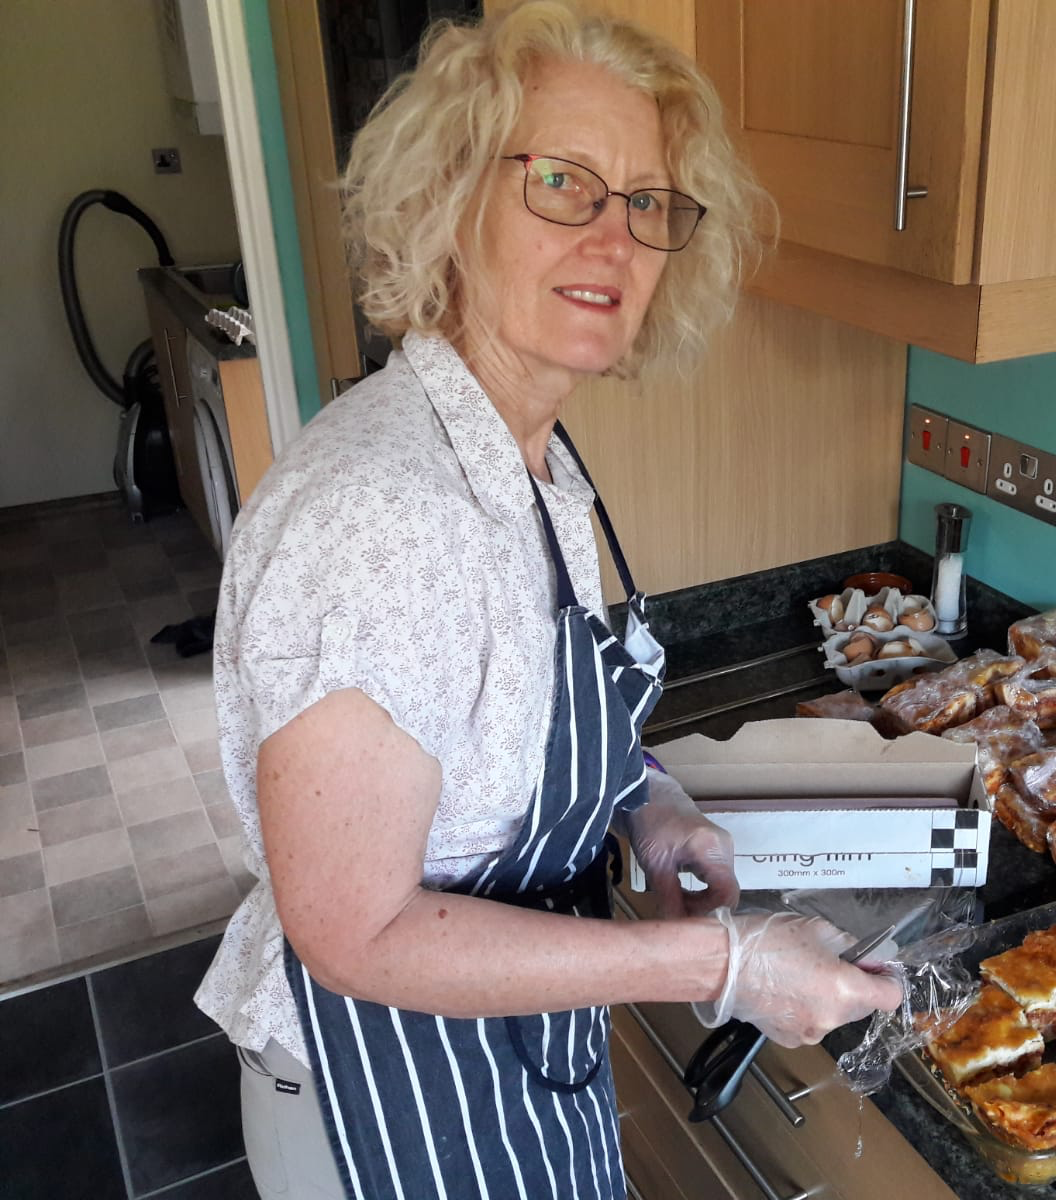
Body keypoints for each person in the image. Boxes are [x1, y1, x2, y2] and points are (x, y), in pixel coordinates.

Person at [194, 4, 903, 1196]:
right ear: (451, 200)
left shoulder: (526, 456)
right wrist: (724, 965)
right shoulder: (380, 515)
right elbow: (355, 930)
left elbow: (515, 723)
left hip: (504, 1069)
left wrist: (649, 802)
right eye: (563, 183)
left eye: (647, 202)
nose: (614, 240)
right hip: (383, 1100)